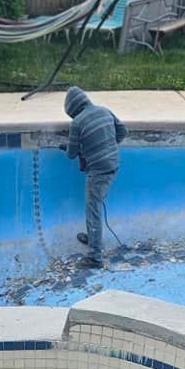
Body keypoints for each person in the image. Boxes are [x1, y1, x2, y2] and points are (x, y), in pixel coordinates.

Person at [62, 86, 127, 268]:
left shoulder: (77, 123)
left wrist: (67, 146)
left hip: (98, 171)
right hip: (113, 165)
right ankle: (93, 238)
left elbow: (71, 154)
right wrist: (105, 146)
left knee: (93, 210)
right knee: (95, 206)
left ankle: (95, 257)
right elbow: (123, 132)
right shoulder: (104, 110)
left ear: (72, 110)